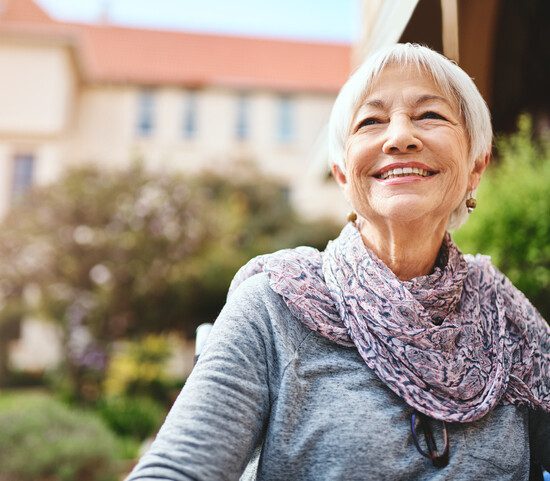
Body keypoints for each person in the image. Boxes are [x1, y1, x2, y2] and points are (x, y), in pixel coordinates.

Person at [126, 43, 550, 481]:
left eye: (430, 116)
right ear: (343, 173)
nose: (400, 137)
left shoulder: (509, 322)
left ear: (476, 166)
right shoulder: (273, 306)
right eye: (371, 121)